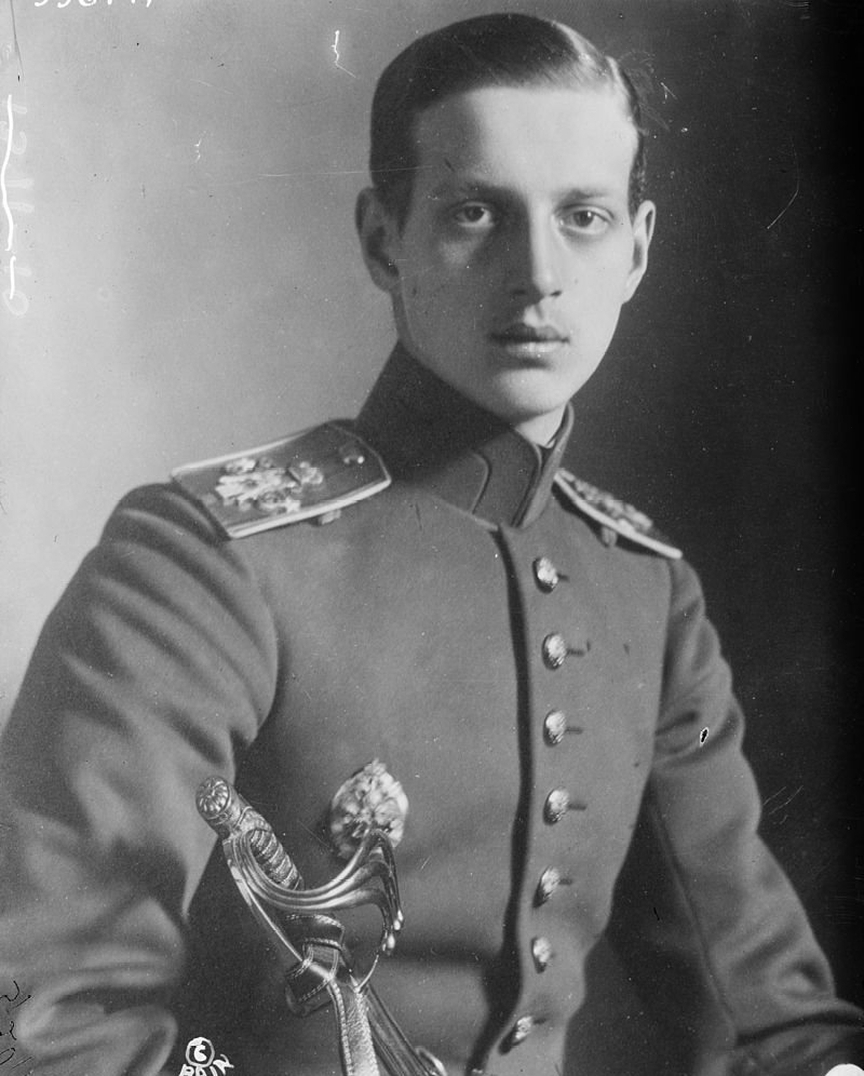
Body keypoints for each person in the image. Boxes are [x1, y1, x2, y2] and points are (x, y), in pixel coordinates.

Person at [0, 12, 862, 1076]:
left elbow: (766, 1021)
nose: (538, 272)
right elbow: (43, 1020)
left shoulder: (645, 590)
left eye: (584, 217)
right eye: (474, 212)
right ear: (383, 240)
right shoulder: (206, 561)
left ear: (638, 250)